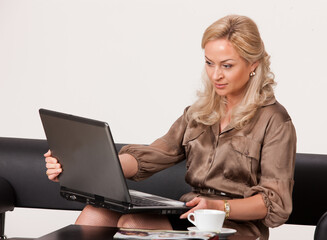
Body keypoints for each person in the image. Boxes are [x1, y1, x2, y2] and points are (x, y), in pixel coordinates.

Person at [45, 15, 296, 240]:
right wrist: (90, 163)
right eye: (209, 63)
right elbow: (157, 154)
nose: (215, 75)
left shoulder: (274, 121)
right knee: (95, 213)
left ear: (253, 65)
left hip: (236, 227)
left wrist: (220, 207)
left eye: (227, 65)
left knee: (134, 223)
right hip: (191, 215)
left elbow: (274, 204)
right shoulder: (200, 113)